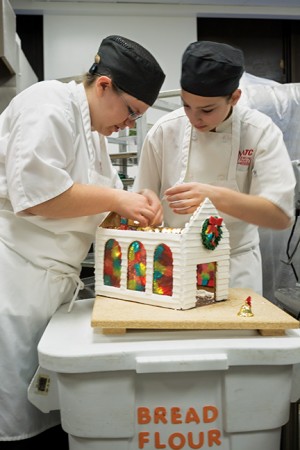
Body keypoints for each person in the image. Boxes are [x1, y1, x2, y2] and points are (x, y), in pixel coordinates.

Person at [0, 35, 165, 448]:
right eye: (131, 112)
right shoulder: (48, 103)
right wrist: (117, 197)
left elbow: (104, 206)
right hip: (14, 279)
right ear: (105, 85)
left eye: (138, 118)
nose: (129, 124)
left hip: (52, 286)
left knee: (49, 407)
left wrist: (140, 202)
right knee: (16, 410)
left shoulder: (94, 133)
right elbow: (38, 197)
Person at [133, 40, 296, 295]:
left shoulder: (260, 132)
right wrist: (147, 207)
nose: (194, 118)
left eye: (207, 110)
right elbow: (142, 196)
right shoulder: (165, 131)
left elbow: (280, 215)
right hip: (172, 264)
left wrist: (212, 196)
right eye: (186, 105)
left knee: (232, 334)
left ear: (235, 97)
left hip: (235, 267)